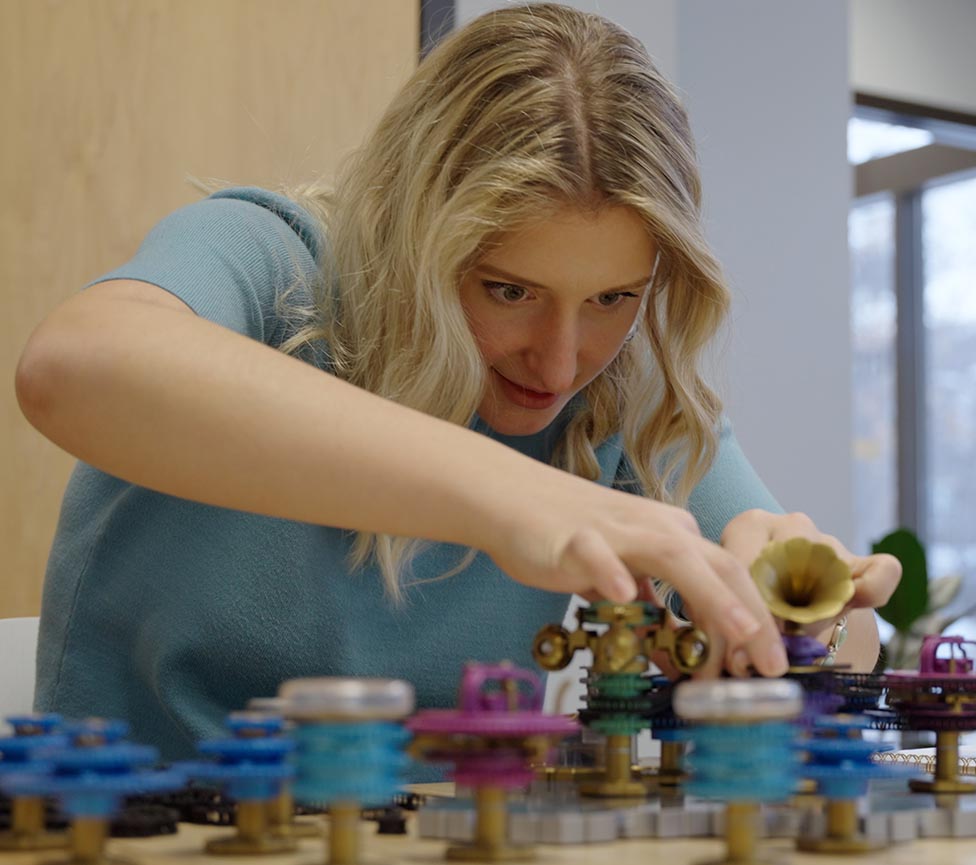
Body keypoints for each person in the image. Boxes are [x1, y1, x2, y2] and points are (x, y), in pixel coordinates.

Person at [15, 3, 899, 760]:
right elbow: (74, 367)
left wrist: (792, 608)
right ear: (414, 235)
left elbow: (853, 643)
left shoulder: (619, 392)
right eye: (507, 290)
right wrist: (522, 501)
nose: (558, 362)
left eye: (612, 298)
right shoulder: (265, 258)